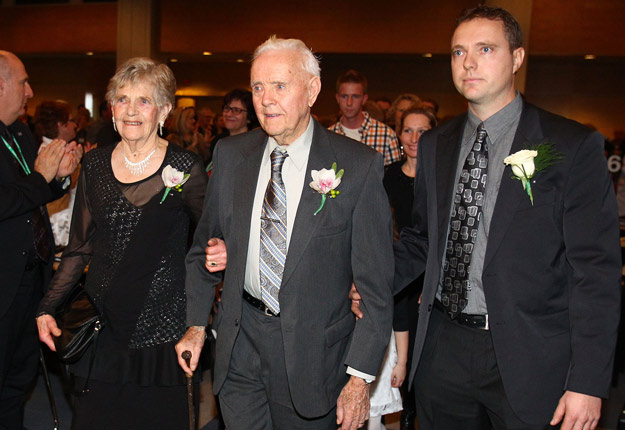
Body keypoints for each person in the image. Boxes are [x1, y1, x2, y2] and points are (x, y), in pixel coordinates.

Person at [391, 6, 621, 430]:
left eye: (485, 49)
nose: (469, 62)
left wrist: (588, 381)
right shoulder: (437, 144)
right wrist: (369, 280)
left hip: (531, 356)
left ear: (517, 58)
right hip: (443, 349)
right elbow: (422, 238)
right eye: (458, 52)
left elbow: (594, 272)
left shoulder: (571, 146)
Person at [176, 36, 394, 430]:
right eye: (258, 87)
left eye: (280, 85)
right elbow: (202, 248)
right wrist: (195, 325)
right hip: (239, 344)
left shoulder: (357, 166)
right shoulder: (231, 155)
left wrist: (360, 377)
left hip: (313, 357)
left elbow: (376, 289)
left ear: (312, 90)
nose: (265, 99)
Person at [36, 57, 213, 429]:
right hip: (103, 328)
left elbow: (209, 239)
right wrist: (47, 307)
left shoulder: (186, 167)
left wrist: (201, 315)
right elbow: (79, 247)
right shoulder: (96, 164)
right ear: (112, 107)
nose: (131, 110)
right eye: (122, 99)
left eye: (143, 101)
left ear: (163, 110)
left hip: (164, 331)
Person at [0, 50, 82, 430]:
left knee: (19, 381)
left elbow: (30, 196)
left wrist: (60, 178)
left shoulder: (18, 132)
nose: (30, 91)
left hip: (29, 280)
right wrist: (39, 179)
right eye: (23, 82)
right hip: (3, 281)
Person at [383, 108, 436, 430]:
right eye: (408, 131)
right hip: (395, 271)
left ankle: (416, 410)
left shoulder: (442, 178)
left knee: (423, 351)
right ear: (399, 135)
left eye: (422, 131)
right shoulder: (386, 175)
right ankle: (404, 411)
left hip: (428, 280)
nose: (414, 138)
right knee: (399, 346)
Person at [32, 100, 79, 248]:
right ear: (60, 124)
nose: (75, 125)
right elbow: (61, 190)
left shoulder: (54, 149)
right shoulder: (51, 153)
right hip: (58, 230)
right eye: (71, 121)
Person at [329, 69, 401, 166]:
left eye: (355, 96)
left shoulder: (386, 135)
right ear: (337, 98)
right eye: (344, 96)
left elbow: (394, 178)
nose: (349, 103)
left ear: (364, 99)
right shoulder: (328, 136)